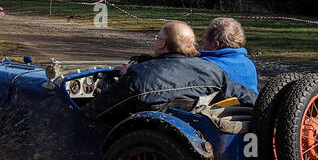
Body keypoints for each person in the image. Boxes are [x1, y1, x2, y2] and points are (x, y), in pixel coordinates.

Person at [88, 20, 255, 122]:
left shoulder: (138, 76)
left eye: (158, 38)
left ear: (162, 44)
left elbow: (98, 111)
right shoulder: (213, 71)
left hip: (145, 143)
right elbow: (247, 96)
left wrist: (125, 79)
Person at [201, 16, 258, 92]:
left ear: (215, 44)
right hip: (248, 103)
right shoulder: (249, 64)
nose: (202, 43)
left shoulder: (204, 66)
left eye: (204, 39)